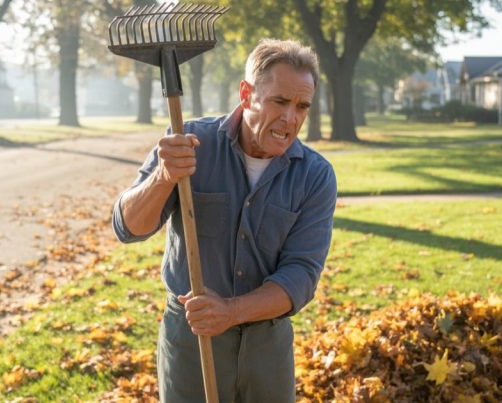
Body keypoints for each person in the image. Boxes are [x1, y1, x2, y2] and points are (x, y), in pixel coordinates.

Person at [112, 38, 337, 402]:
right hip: (191, 338)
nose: (291, 118)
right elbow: (128, 228)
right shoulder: (188, 143)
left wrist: (230, 311)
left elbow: (301, 275)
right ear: (247, 93)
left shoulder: (315, 176)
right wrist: (163, 177)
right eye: (280, 101)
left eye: (302, 106)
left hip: (267, 345)